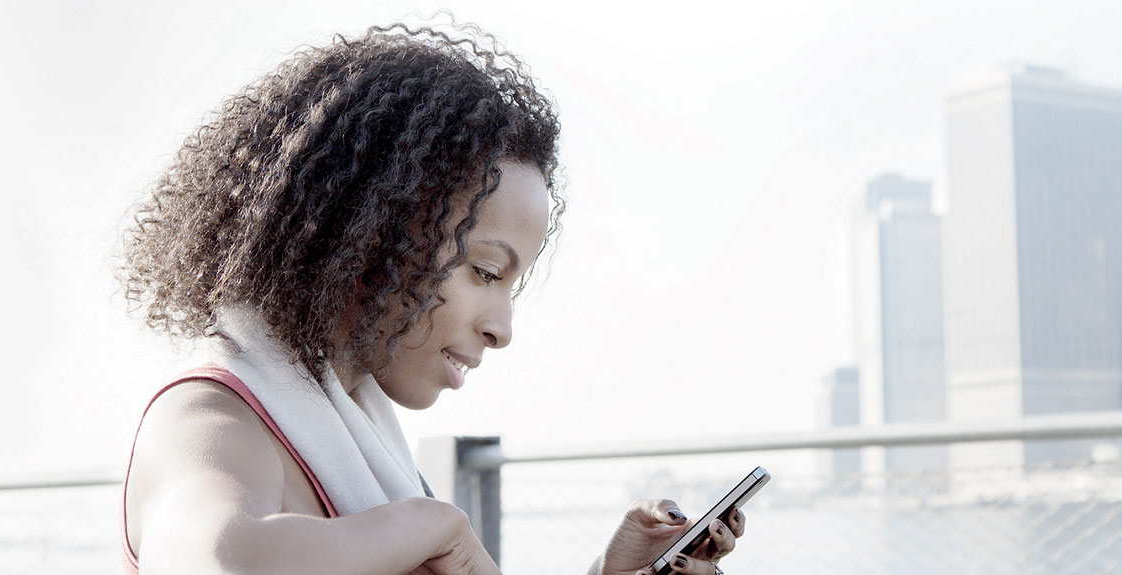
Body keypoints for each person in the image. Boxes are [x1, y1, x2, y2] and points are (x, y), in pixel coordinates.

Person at [117, 22, 744, 575]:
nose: (502, 328)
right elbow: (216, 564)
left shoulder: (359, 434)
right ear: (371, 231)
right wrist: (431, 524)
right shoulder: (210, 418)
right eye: (486, 271)